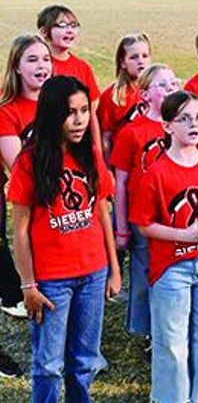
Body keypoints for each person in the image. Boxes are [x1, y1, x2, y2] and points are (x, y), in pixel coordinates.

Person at [9, 76, 121, 402]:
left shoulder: (90, 155)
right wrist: (28, 286)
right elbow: (19, 231)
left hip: (92, 273)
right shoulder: (29, 163)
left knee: (84, 360)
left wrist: (113, 269)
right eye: (70, 112)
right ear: (51, 114)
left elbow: (102, 214)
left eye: (85, 110)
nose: (80, 119)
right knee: (48, 363)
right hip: (51, 281)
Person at [131, 90, 198, 403]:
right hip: (172, 267)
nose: (195, 124)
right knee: (172, 341)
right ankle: (169, 397)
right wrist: (184, 236)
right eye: (185, 118)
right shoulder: (157, 173)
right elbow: (144, 223)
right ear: (168, 127)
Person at [110, 64, 180, 343]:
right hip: (143, 217)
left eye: (174, 84)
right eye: (162, 85)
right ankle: (148, 329)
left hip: (174, 216)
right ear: (144, 95)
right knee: (143, 272)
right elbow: (122, 183)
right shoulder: (133, 132)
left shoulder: (181, 125)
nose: (170, 89)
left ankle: (169, 324)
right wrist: (122, 227)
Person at [0, 34, 53, 319]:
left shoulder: (58, 100)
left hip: (65, 202)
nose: (41, 65)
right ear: (17, 66)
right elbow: (18, 166)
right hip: (36, 204)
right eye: (32, 59)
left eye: (46, 59)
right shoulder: (7, 110)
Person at [37, 4, 102, 150]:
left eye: (73, 25)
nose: (70, 30)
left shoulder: (82, 67)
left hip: (79, 147)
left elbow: (92, 114)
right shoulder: (39, 70)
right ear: (44, 31)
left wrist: (98, 151)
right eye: (62, 25)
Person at [97, 32, 152, 159]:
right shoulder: (112, 96)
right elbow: (105, 137)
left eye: (145, 56)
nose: (141, 61)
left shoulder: (158, 89)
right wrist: (108, 170)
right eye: (134, 57)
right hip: (124, 162)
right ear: (122, 62)